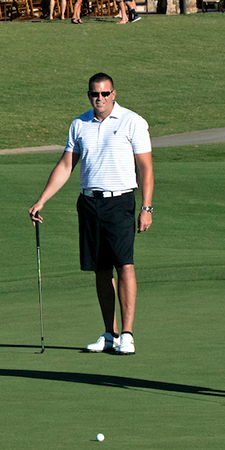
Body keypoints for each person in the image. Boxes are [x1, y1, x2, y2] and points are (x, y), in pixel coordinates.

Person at [28, 74, 154, 354]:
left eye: (105, 93)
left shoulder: (133, 122)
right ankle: (109, 334)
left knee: (125, 265)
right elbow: (65, 166)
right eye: (94, 94)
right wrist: (42, 200)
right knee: (100, 269)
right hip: (88, 202)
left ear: (114, 94)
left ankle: (128, 334)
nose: (100, 99)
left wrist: (146, 207)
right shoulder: (79, 124)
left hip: (120, 201)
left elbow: (145, 167)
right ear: (89, 95)